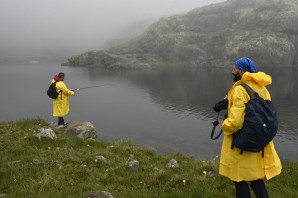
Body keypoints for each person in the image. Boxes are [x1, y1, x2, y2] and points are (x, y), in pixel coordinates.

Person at [219, 57, 282, 198]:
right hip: (259, 142)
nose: (232, 72)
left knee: (239, 179)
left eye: (234, 69)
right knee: (256, 178)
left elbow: (235, 122)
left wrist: (224, 126)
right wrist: (229, 101)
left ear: (241, 71)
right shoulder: (262, 88)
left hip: (241, 145)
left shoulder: (240, 89)